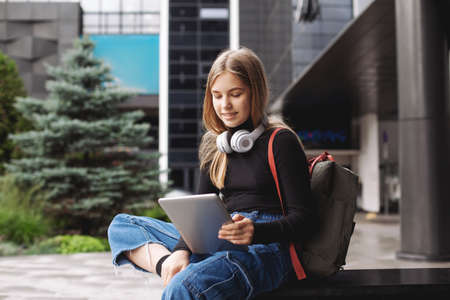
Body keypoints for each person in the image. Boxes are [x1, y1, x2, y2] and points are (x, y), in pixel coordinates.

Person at [107, 47, 317, 300]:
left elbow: (305, 220)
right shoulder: (215, 145)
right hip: (219, 234)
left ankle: (185, 274)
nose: (224, 105)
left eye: (235, 94)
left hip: (267, 249)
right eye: (217, 96)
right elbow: (197, 214)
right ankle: (171, 266)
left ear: (256, 92)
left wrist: (256, 232)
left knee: (183, 288)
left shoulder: (280, 141)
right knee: (123, 227)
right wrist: (182, 250)